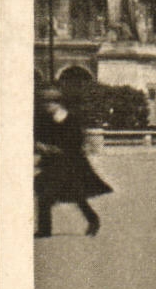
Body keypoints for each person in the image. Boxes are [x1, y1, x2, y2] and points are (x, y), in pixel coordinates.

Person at [34, 89, 110, 238]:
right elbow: (40, 137)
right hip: (54, 163)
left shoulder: (71, 119)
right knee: (56, 192)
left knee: (62, 193)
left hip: (71, 163)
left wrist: (57, 148)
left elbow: (76, 141)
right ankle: (91, 219)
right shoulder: (47, 120)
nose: (46, 106)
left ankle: (46, 229)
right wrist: (42, 146)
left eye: (49, 103)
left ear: (57, 103)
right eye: (45, 103)